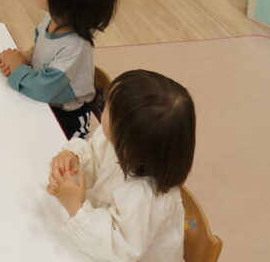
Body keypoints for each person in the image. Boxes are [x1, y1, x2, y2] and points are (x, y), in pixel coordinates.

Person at [46, 69, 196, 262]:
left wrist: (76, 207)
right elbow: (94, 155)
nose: (103, 107)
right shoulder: (118, 144)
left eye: (108, 107)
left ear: (127, 137)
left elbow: (117, 251)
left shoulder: (144, 197)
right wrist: (74, 158)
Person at [0, 0, 119, 139]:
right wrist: (25, 58)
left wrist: (18, 69)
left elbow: (43, 90)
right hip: (45, 96)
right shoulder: (53, 18)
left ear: (59, 1)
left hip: (66, 119)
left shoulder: (73, 48)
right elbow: (41, 46)